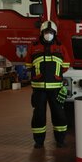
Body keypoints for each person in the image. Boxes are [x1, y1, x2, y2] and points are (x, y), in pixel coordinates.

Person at [26, 20, 70, 148]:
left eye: (50, 32)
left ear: (55, 33)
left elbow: (66, 65)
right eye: (46, 32)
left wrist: (55, 76)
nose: (48, 34)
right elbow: (28, 65)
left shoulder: (60, 47)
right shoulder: (34, 46)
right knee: (38, 116)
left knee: (59, 115)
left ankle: (61, 140)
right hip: (39, 89)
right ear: (42, 33)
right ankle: (38, 141)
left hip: (56, 88)